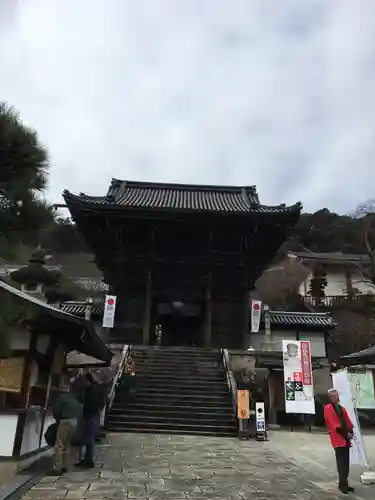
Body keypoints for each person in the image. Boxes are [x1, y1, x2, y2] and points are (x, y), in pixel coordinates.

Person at [324, 388, 355, 494]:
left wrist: (350, 431)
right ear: (329, 397)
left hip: (345, 437)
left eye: (337, 395)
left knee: (346, 461)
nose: (336, 397)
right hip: (338, 438)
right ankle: (343, 485)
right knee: (341, 461)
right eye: (333, 396)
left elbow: (348, 422)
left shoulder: (341, 408)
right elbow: (335, 425)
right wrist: (346, 433)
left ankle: (344, 482)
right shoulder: (328, 408)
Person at [50, 382, 81, 475]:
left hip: (65, 421)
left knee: (59, 444)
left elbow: (56, 410)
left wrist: (57, 418)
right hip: (74, 421)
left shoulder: (61, 398)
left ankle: (57, 467)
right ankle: (65, 465)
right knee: (67, 444)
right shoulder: (73, 398)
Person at [76, 373, 106, 469]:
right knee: (89, 437)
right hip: (94, 414)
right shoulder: (96, 388)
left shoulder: (93, 390)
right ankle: (87, 459)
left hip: (91, 414)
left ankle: (88, 460)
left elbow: (90, 402)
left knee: (89, 437)